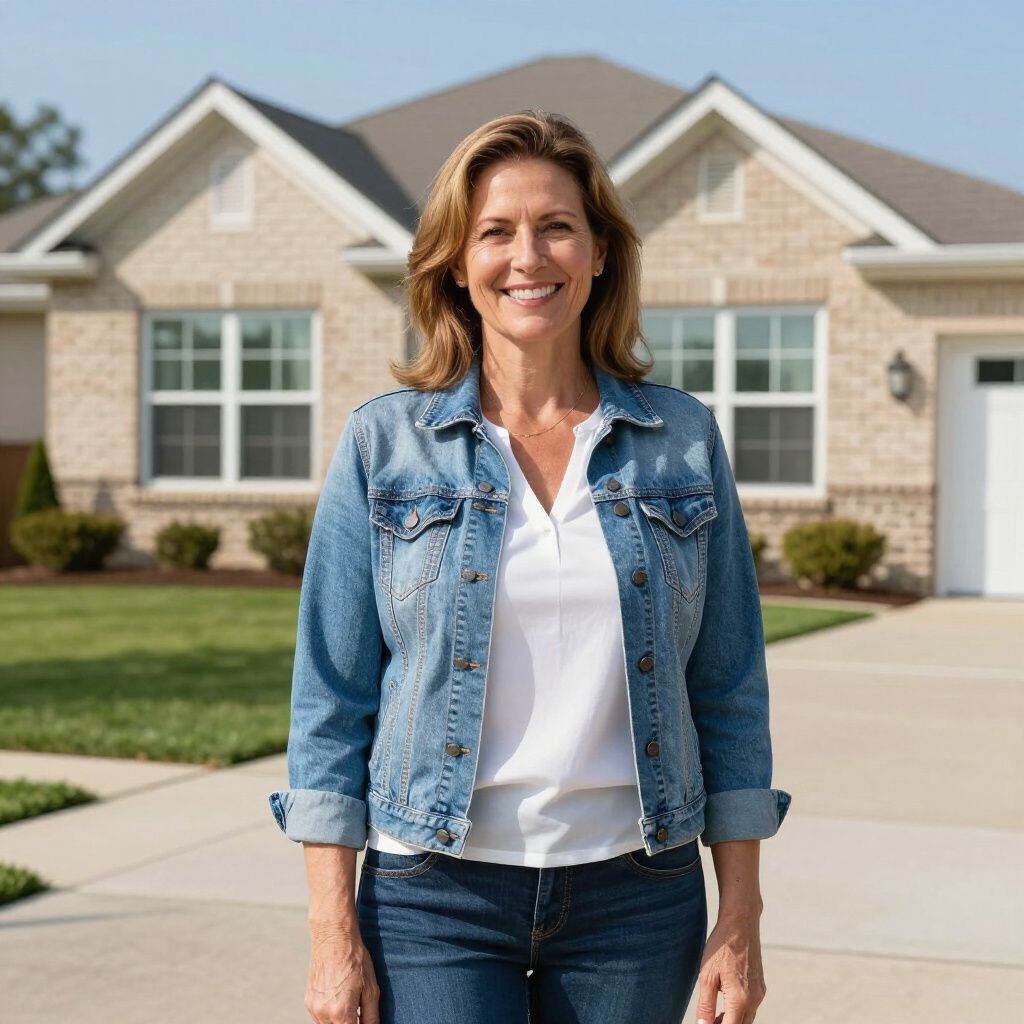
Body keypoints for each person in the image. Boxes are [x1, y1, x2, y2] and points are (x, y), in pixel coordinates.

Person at [269, 108, 791, 1024]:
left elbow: (730, 688)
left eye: (556, 226)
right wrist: (330, 935)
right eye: (496, 232)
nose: (528, 257)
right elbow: (331, 699)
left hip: (638, 892)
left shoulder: (681, 442)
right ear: (455, 264)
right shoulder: (384, 446)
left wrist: (740, 912)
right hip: (433, 894)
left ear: (598, 254)